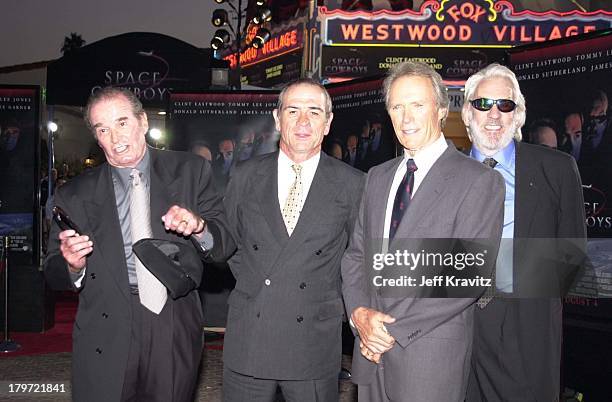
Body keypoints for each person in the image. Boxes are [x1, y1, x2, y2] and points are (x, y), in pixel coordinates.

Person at [44, 87, 234, 402]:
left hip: (171, 320)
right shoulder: (74, 194)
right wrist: (71, 264)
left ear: (143, 122)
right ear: (96, 136)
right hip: (105, 325)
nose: (114, 136)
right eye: (103, 129)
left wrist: (200, 228)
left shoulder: (190, 171)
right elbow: (51, 270)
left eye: (122, 122)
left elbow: (224, 245)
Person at [341, 61, 505, 402]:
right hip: (370, 355)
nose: (406, 117)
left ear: (442, 110)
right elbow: (356, 257)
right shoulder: (377, 177)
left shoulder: (477, 180)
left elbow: (467, 275)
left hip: (429, 360)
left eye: (418, 105)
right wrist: (359, 316)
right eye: (397, 107)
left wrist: (386, 330)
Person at [222, 78, 364, 402]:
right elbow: (231, 244)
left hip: (313, 341)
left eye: (314, 112)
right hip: (251, 339)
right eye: (294, 110)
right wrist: (259, 281)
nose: (303, 121)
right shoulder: (245, 175)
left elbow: (358, 260)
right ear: (277, 118)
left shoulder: (353, 184)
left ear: (328, 123)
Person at [462, 64, 587, 402]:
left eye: (505, 105)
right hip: (460, 332)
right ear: (466, 112)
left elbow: (572, 255)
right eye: (483, 103)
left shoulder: (558, 169)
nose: (494, 114)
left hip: (529, 331)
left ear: (518, 115)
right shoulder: (442, 173)